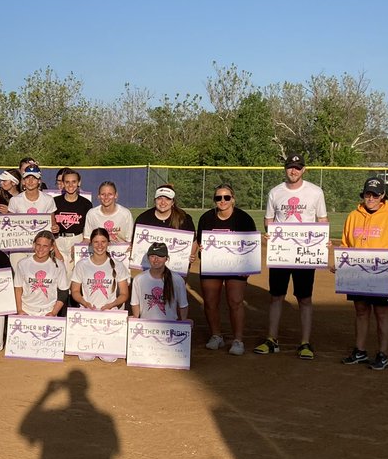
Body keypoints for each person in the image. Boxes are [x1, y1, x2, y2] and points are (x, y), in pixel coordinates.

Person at [255, 154, 329, 359]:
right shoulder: (275, 192)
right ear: (285, 169)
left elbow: (322, 219)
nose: (293, 171)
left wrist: (321, 241)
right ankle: (272, 339)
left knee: (304, 298)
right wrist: (271, 235)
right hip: (281, 253)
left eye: (297, 168)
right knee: (276, 296)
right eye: (290, 167)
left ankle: (305, 342)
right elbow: (269, 219)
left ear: (303, 169)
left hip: (304, 253)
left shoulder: (315, 192)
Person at [336, 177, 388, 371]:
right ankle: (360, 351)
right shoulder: (353, 216)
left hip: (381, 276)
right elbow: (346, 245)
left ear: (383, 196)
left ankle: (382, 354)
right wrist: (341, 264)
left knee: (381, 313)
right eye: (368, 194)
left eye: (375, 195)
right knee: (360, 311)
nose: (371, 198)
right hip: (357, 275)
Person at [195, 184, 256, 356]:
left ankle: (238, 340)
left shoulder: (244, 218)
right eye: (218, 198)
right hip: (212, 265)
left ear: (233, 199)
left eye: (226, 197)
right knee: (210, 301)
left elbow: (251, 245)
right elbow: (201, 243)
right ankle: (216, 336)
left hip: (236, 266)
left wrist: (248, 267)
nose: (222, 201)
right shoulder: (206, 218)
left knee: (235, 301)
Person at [69, 227, 130, 362]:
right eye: (96, 242)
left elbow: (124, 294)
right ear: (90, 244)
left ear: (108, 243)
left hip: (109, 312)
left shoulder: (118, 265)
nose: (100, 245)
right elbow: (74, 291)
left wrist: (111, 304)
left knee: (109, 358)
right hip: (88, 312)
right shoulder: (81, 265)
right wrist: (84, 303)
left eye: (103, 241)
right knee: (85, 357)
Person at [130, 242, 189, 321]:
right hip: (146, 326)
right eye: (152, 256)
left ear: (166, 258)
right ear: (148, 258)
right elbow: (135, 303)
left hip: (170, 327)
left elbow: (183, 305)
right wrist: (135, 319)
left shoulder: (177, 279)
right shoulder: (138, 279)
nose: (156, 259)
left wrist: (184, 322)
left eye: (160, 256)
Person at [14, 230, 67, 317]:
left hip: (48, 311)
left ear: (51, 247)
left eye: (45, 246)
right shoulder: (22, 263)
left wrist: (54, 312)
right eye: (38, 245)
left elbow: (63, 291)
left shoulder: (58, 265)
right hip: (26, 310)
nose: (41, 249)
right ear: (34, 245)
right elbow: (18, 288)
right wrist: (19, 310)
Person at [51, 169, 92, 265]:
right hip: (58, 240)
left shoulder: (86, 204)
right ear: (63, 184)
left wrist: (80, 245)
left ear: (79, 183)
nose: (70, 185)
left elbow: (88, 230)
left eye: (74, 182)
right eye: (67, 182)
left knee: (74, 274)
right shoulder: (54, 201)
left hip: (77, 239)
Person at [82, 181, 133, 245]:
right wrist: (77, 248)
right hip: (99, 251)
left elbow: (129, 240)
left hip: (120, 252)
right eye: (103, 194)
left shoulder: (125, 214)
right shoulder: (92, 214)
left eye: (110, 194)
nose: (106, 197)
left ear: (116, 195)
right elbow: (87, 238)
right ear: (98, 196)